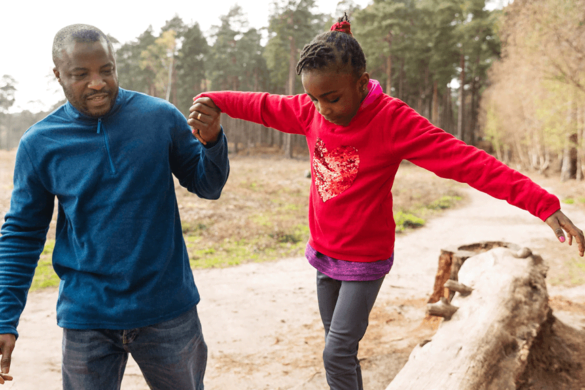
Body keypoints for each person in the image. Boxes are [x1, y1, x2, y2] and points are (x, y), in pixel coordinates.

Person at [189, 14, 585, 390]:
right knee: (340, 349)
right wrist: (212, 100)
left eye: (332, 98)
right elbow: (260, 104)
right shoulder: (310, 110)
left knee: (336, 353)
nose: (323, 109)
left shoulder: (393, 120)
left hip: (365, 260)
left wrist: (542, 203)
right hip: (323, 255)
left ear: (362, 83)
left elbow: (468, 162)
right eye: (314, 99)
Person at [0, 24, 229, 389]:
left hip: (167, 309)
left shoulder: (159, 117)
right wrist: (4, 318)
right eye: (81, 74)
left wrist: (213, 141)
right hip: (87, 317)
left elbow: (208, 185)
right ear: (58, 74)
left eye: (106, 69)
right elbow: (22, 235)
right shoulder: (40, 143)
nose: (98, 83)